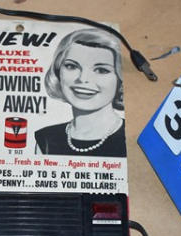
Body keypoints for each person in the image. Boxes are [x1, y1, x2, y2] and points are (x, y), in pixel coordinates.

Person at [35, 28, 126, 156]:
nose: (83, 79)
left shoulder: (129, 136)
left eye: (101, 70)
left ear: (120, 80)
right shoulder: (46, 138)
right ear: (58, 71)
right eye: (71, 66)